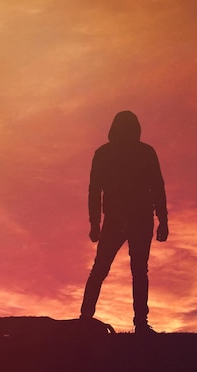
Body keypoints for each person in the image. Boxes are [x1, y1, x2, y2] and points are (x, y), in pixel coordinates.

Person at [80, 110, 168, 334]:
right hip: (121, 219)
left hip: (137, 218)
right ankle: (86, 319)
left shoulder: (142, 153)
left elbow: (157, 187)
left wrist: (163, 220)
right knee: (107, 269)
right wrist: (94, 223)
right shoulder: (108, 153)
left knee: (131, 270)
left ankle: (139, 322)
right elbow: (95, 190)